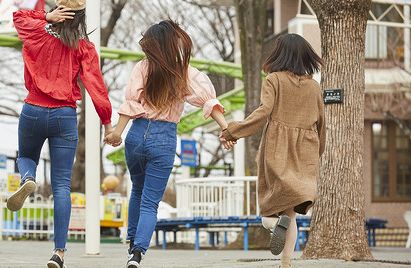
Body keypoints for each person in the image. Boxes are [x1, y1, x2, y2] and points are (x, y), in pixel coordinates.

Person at [104, 19, 233, 268]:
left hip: (136, 136)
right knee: (151, 200)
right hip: (163, 138)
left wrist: (117, 133)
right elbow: (208, 101)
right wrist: (226, 129)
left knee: (138, 191)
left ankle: (131, 241)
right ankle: (137, 253)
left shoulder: (142, 68)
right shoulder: (184, 73)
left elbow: (131, 103)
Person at [8, 0, 113, 268]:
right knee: (62, 186)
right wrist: (107, 122)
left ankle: (27, 178)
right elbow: (96, 86)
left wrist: (46, 16)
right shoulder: (84, 47)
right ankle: (59, 252)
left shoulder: (37, 34)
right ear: (80, 17)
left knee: (26, 156)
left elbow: (18, 17)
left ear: (58, 10)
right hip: (64, 116)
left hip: (32, 109)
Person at [220, 33, 326, 268]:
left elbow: (263, 112)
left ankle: (272, 225)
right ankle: (286, 263)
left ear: (280, 54)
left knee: (270, 205)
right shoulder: (315, 87)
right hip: (306, 151)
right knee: (291, 213)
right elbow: (322, 124)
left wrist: (233, 131)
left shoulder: (274, 79)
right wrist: (317, 155)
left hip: (278, 147)